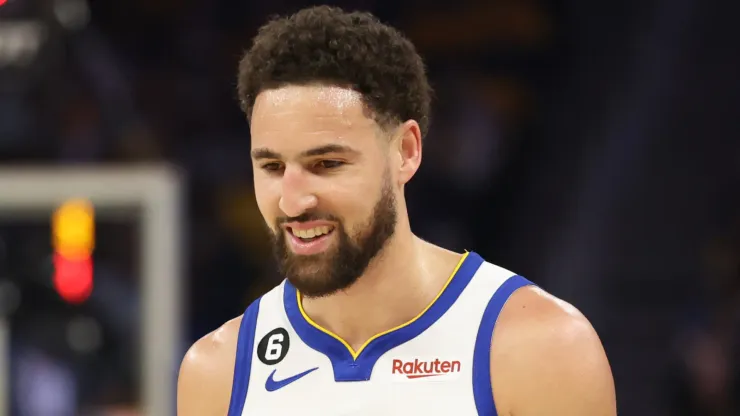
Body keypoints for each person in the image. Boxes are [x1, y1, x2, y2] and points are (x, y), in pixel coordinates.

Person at [177, 5, 617, 415]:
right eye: (272, 166)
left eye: (327, 164)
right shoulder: (219, 370)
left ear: (405, 152)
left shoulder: (540, 348)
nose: (293, 201)